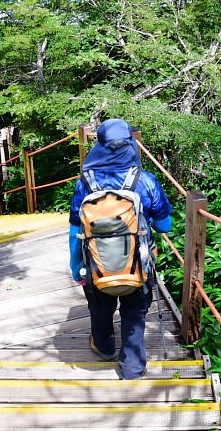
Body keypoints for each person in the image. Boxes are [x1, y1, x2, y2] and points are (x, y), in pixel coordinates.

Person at [68, 118, 172, 380]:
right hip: (138, 264)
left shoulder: (85, 183)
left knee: (100, 308)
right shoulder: (145, 181)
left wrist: (75, 266)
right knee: (134, 313)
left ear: (99, 145)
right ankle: (133, 368)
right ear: (131, 144)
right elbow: (165, 225)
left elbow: (74, 229)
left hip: (96, 265)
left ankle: (104, 348)